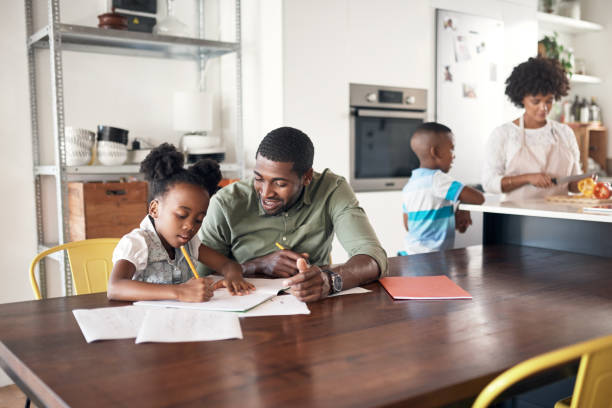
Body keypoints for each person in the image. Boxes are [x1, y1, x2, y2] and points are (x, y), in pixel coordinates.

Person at [198, 126, 388, 302]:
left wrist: (329, 282)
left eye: (280, 184)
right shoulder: (225, 203)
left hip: (314, 309)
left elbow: (373, 256)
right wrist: (257, 266)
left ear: (306, 177)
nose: (265, 193)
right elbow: (200, 277)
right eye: (258, 179)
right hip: (242, 309)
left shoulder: (331, 189)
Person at [107, 143, 254, 302]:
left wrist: (233, 277)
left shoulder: (190, 244)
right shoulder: (138, 242)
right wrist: (179, 292)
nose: (190, 226)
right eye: (182, 215)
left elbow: (228, 265)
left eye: (199, 220)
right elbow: (115, 287)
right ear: (155, 209)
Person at [482, 57, 582, 200]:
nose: (544, 108)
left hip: (561, 215)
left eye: (549, 101)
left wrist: (588, 183)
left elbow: (573, 185)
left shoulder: (565, 133)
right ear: (522, 98)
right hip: (518, 218)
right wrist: (527, 178)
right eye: (536, 101)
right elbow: (489, 183)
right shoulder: (503, 134)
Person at [402, 122, 484, 255]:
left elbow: (407, 225)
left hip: (411, 254)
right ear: (435, 152)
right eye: (451, 149)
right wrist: (463, 207)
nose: (454, 155)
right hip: (432, 257)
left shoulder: (409, 186)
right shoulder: (438, 180)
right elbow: (478, 198)